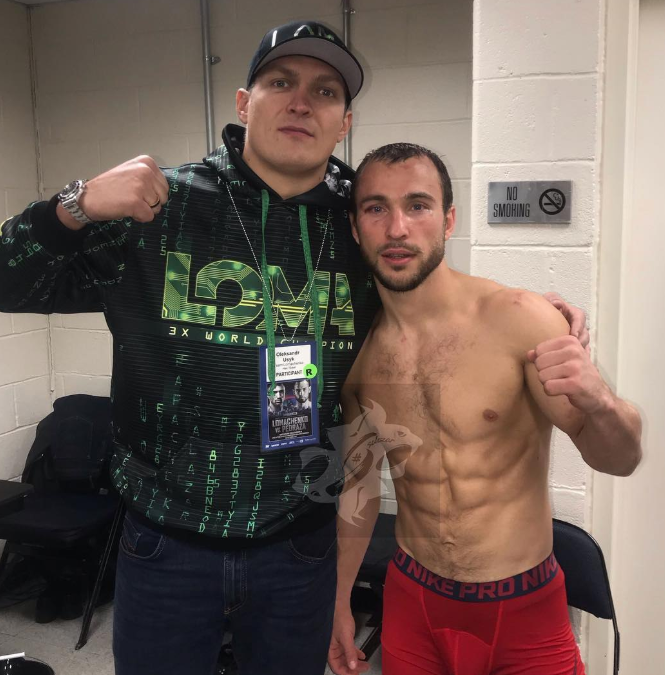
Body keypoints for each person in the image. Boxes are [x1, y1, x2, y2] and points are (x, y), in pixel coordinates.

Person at [0, 21, 587, 675]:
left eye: (325, 91)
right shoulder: (158, 208)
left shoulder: (359, 223)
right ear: (243, 103)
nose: (302, 102)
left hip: (299, 549)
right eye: (281, 82)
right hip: (166, 544)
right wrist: (75, 205)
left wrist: (537, 314)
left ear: (344, 122)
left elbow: (433, 294)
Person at [328, 143, 642, 675]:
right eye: (377, 208)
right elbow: (360, 487)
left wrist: (601, 400)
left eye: (418, 205)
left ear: (449, 220)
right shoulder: (360, 353)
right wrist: (338, 600)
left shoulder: (517, 319)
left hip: (523, 610)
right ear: (357, 228)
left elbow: (620, 460)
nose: (398, 228)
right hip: (413, 602)